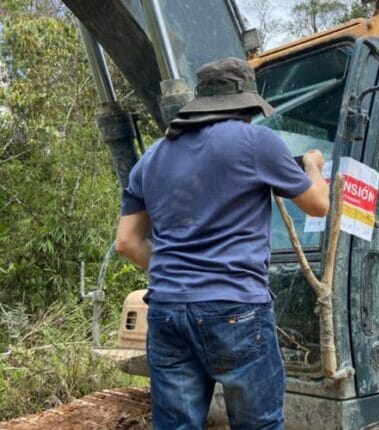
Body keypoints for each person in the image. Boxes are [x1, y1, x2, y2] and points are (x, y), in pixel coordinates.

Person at [115, 57, 329, 430]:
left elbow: (127, 242)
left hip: (167, 310)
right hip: (234, 308)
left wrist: (176, 274)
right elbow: (319, 205)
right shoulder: (255, 141)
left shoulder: (152, 157)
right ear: (246, 105)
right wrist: (312, 166)